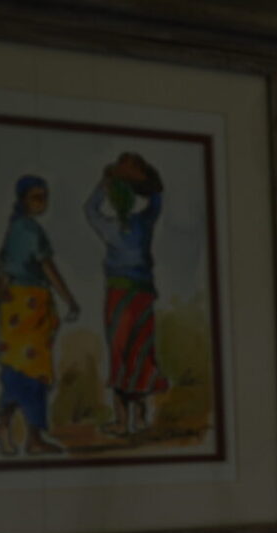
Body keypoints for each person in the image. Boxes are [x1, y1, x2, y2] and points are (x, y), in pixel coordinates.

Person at [0, 174, 79, 455]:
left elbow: (1, 273)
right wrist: (69, 299)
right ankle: (32, 438)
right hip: (26, 308)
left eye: (45, 196)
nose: (42, 202)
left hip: (20, 309)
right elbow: (48, 269)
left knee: (20, 372)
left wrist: (1, 303)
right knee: (32, 374)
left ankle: (8, 426)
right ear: (23, 200)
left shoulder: (15, 229)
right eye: (36, 197)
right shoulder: (28, 231)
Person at [83, 152, 169, 437]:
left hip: (121, 296)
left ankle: (123, 421)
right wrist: (139, 179)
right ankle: (140, 419)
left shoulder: (112, 227)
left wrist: (105, 182)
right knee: (139, 353)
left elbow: (91, 210)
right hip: (141, 296)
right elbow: (157, 199)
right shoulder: (143, 224)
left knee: (122, 353)